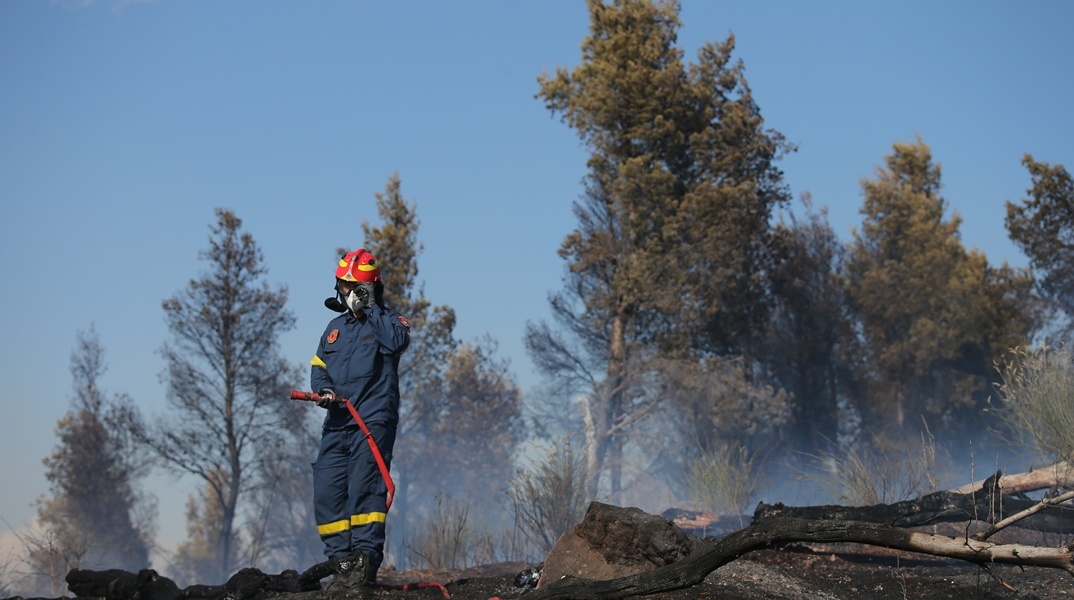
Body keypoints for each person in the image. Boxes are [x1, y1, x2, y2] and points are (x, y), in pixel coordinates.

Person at [309, 248, 411, 589]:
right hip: (337, 422)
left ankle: (364, 564)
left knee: (364, 491)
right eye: (342, 286)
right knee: (327, 491)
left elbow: (397, 342)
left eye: (353, 287)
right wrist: (323, 391)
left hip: (371, 420)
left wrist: (370, 308)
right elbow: (319, 366)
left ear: (367, 289)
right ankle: (340, 565)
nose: (345, 292)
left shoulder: (388, 322)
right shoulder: (333, 328)